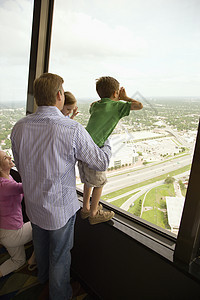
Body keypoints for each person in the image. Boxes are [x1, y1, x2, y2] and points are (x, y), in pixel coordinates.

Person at [11, 73, 111, 300]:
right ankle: (60, 295)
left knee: (42, 248)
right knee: (60, 256)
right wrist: (105, 139)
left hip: (34, 205)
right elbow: (100, 161)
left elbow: (19, 161)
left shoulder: (19, 127)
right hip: (60, 210)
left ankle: (42, 280)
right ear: (59, 95)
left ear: (37, 97)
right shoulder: (72, 129)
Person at [78, 76, 143, 225]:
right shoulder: (117, 106)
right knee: (99, 183)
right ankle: (94, 214)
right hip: (94, 148)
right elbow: (139, 105)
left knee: (89, 180)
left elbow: (92, 104)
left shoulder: (96, 105)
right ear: (115, 94)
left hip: (83, 144)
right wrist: (125, 97)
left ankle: (86, 208)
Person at [0, 150, 36, 277]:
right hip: (13, 233)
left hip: (5, 231)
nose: (9, 157)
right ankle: (34, 258)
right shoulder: (6, 185)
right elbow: (29, 186)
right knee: (42, 225)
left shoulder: (6, 177)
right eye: (5, 158)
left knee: (18, 261)